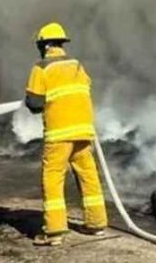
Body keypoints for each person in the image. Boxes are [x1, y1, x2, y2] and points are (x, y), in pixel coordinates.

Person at [24, 22, 108, 246]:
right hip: (83, 130)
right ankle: (97, 224)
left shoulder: (41, 67)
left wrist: (32, 101)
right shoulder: (77, 65)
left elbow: (34, 103)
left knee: (53, 177)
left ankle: (54, 232)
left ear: (45, 45)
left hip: (59, 134)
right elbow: (84, 89)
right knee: (88, 175)